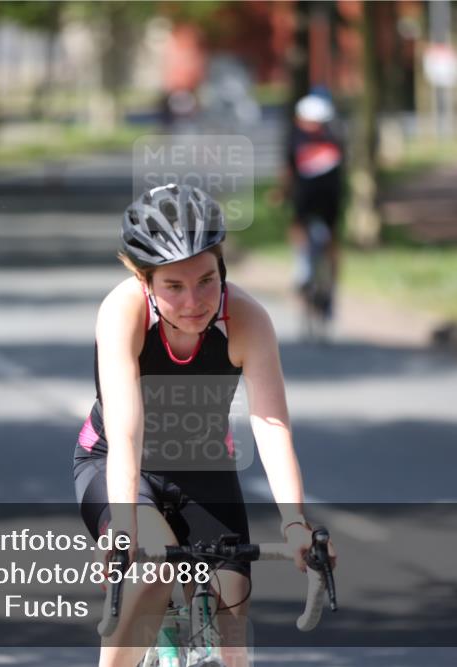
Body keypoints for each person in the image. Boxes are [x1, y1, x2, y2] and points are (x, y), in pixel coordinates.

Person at [73, 184, 336, 667]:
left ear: (223, 268)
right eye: (173, 286)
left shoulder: (248, 320)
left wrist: (295, 523)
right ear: (143, 278)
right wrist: (124, 529)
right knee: (152, 570)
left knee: (231, 596)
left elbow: (270, 423)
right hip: (119, 463)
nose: (193, 301)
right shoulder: (122, 312)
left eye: (206, 281)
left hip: (203, 466)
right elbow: (127, 431)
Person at [282, 93, 345, 332]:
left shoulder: (295, 138)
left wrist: (282, 193)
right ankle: (331, 287)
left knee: (298, 228)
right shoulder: (336, 136)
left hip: (306, 198)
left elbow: (288, 171)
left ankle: (302, 272)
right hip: (331, 198)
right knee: (333, 240)